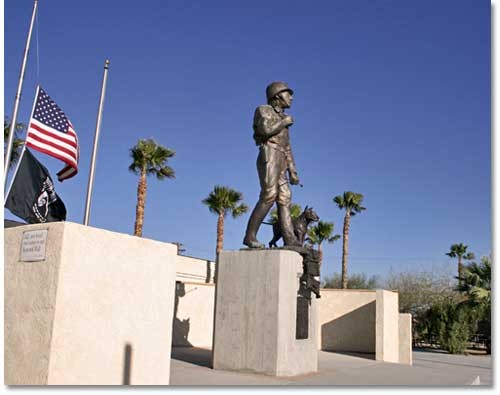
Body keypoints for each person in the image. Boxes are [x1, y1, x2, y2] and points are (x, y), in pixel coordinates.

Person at [243, 81, 301, 248]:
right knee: (269, 194)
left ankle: (290, 239)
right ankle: (250, 236)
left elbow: (287, 146)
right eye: (287, 93)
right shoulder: (263, 110)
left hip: (281, 156)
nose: (291, 97)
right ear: (277, 95)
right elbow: (264, 131)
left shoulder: (283, 117)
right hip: (269, 153)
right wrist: (283, 123)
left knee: (285, 197)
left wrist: (293, 170)